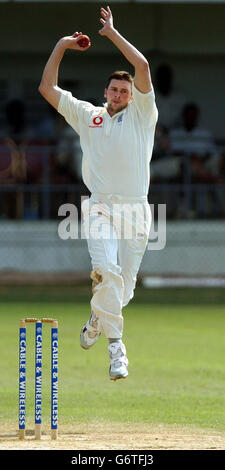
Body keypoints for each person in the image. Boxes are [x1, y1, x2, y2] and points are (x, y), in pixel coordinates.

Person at [38, 6, 158, 380]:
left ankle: (96, 319)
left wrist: (111, 33)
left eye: (126, 90)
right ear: (105, 91)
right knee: (106, 272)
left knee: (122, 292)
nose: (121, 94)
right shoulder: (88, 115)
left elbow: (143, 67)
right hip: (101, 207)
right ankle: (116, 350)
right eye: (115, 89)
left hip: (137, 211)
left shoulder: (143, 114)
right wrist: (61, 45)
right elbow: (47, 88)